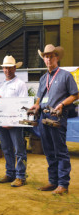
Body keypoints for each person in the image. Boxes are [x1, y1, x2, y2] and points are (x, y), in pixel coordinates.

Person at [30, 44, 78, 195]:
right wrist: (36, 106)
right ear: (43, 59)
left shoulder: (65, 75)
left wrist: (62, 104)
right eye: (46, 56)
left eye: (51, 56)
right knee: (49, 150)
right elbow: (39, 98)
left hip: (57, 116)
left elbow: (75, 95)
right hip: (44, 116)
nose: (48, 59)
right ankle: (53, 181)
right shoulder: (43, 78)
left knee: (60, 151)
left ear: (57, 57)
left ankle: (63, 184)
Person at [0, 55, 28, 187]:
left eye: (10, 68)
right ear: (3, 69)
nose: (7, 70)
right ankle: (10, 173)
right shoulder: (1, 86)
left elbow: (23, 105)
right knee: (7, 149)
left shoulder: (20, 84)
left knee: (19, 150)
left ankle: (21, 176)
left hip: (15, 124)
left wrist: (12, 121)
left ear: (15, 68)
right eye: (5, 68)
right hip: (3, 123)